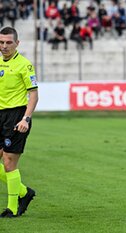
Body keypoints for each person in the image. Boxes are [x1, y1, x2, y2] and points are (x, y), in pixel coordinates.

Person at [0, 27, 38, 218]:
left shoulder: (25, 65)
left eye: (8, 42)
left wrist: (26, 118)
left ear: (17, 43)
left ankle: (12, 208)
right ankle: (24, 193)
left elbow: (33, 95)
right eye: (1, 42)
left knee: (8, 162)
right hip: (0, 115)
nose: (4, 46)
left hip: (16, 116)